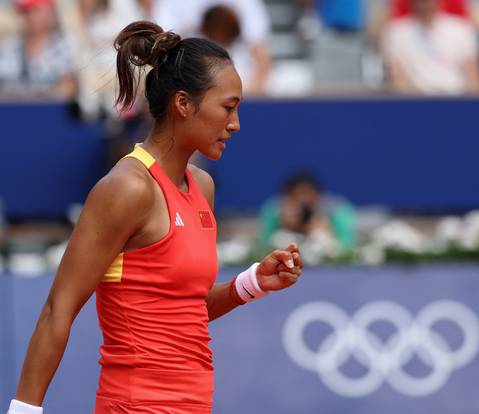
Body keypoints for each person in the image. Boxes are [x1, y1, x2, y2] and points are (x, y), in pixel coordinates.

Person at [6, 20, 304, 414]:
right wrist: (24, 410)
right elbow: (57, 310)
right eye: (228, 108)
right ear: (183, 103)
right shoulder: (127, 189)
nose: (235, 124)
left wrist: (249, 285)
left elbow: (184, 312)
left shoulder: (202, 186)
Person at [381, 0, 479, 95]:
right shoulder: (396, 32)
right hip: (416, 102)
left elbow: (473, 76)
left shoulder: (461, 29)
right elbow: (398, 77)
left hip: (456, 99)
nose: (426, 4)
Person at [259, 172, 356, 253]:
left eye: (306, 193)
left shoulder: (337, 209)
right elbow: (264, 244)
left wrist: (326, 228)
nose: (302, 200)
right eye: (296, 195)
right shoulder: (275, 210)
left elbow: (347, 245)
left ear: (317, 194)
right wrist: (284, 226)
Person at [0, 0, 77, 99]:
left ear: (50, 13)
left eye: (36, 11)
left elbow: (70, 87)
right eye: (25, 12)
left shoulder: (68, 46)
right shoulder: (7, 48)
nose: (30, 17)